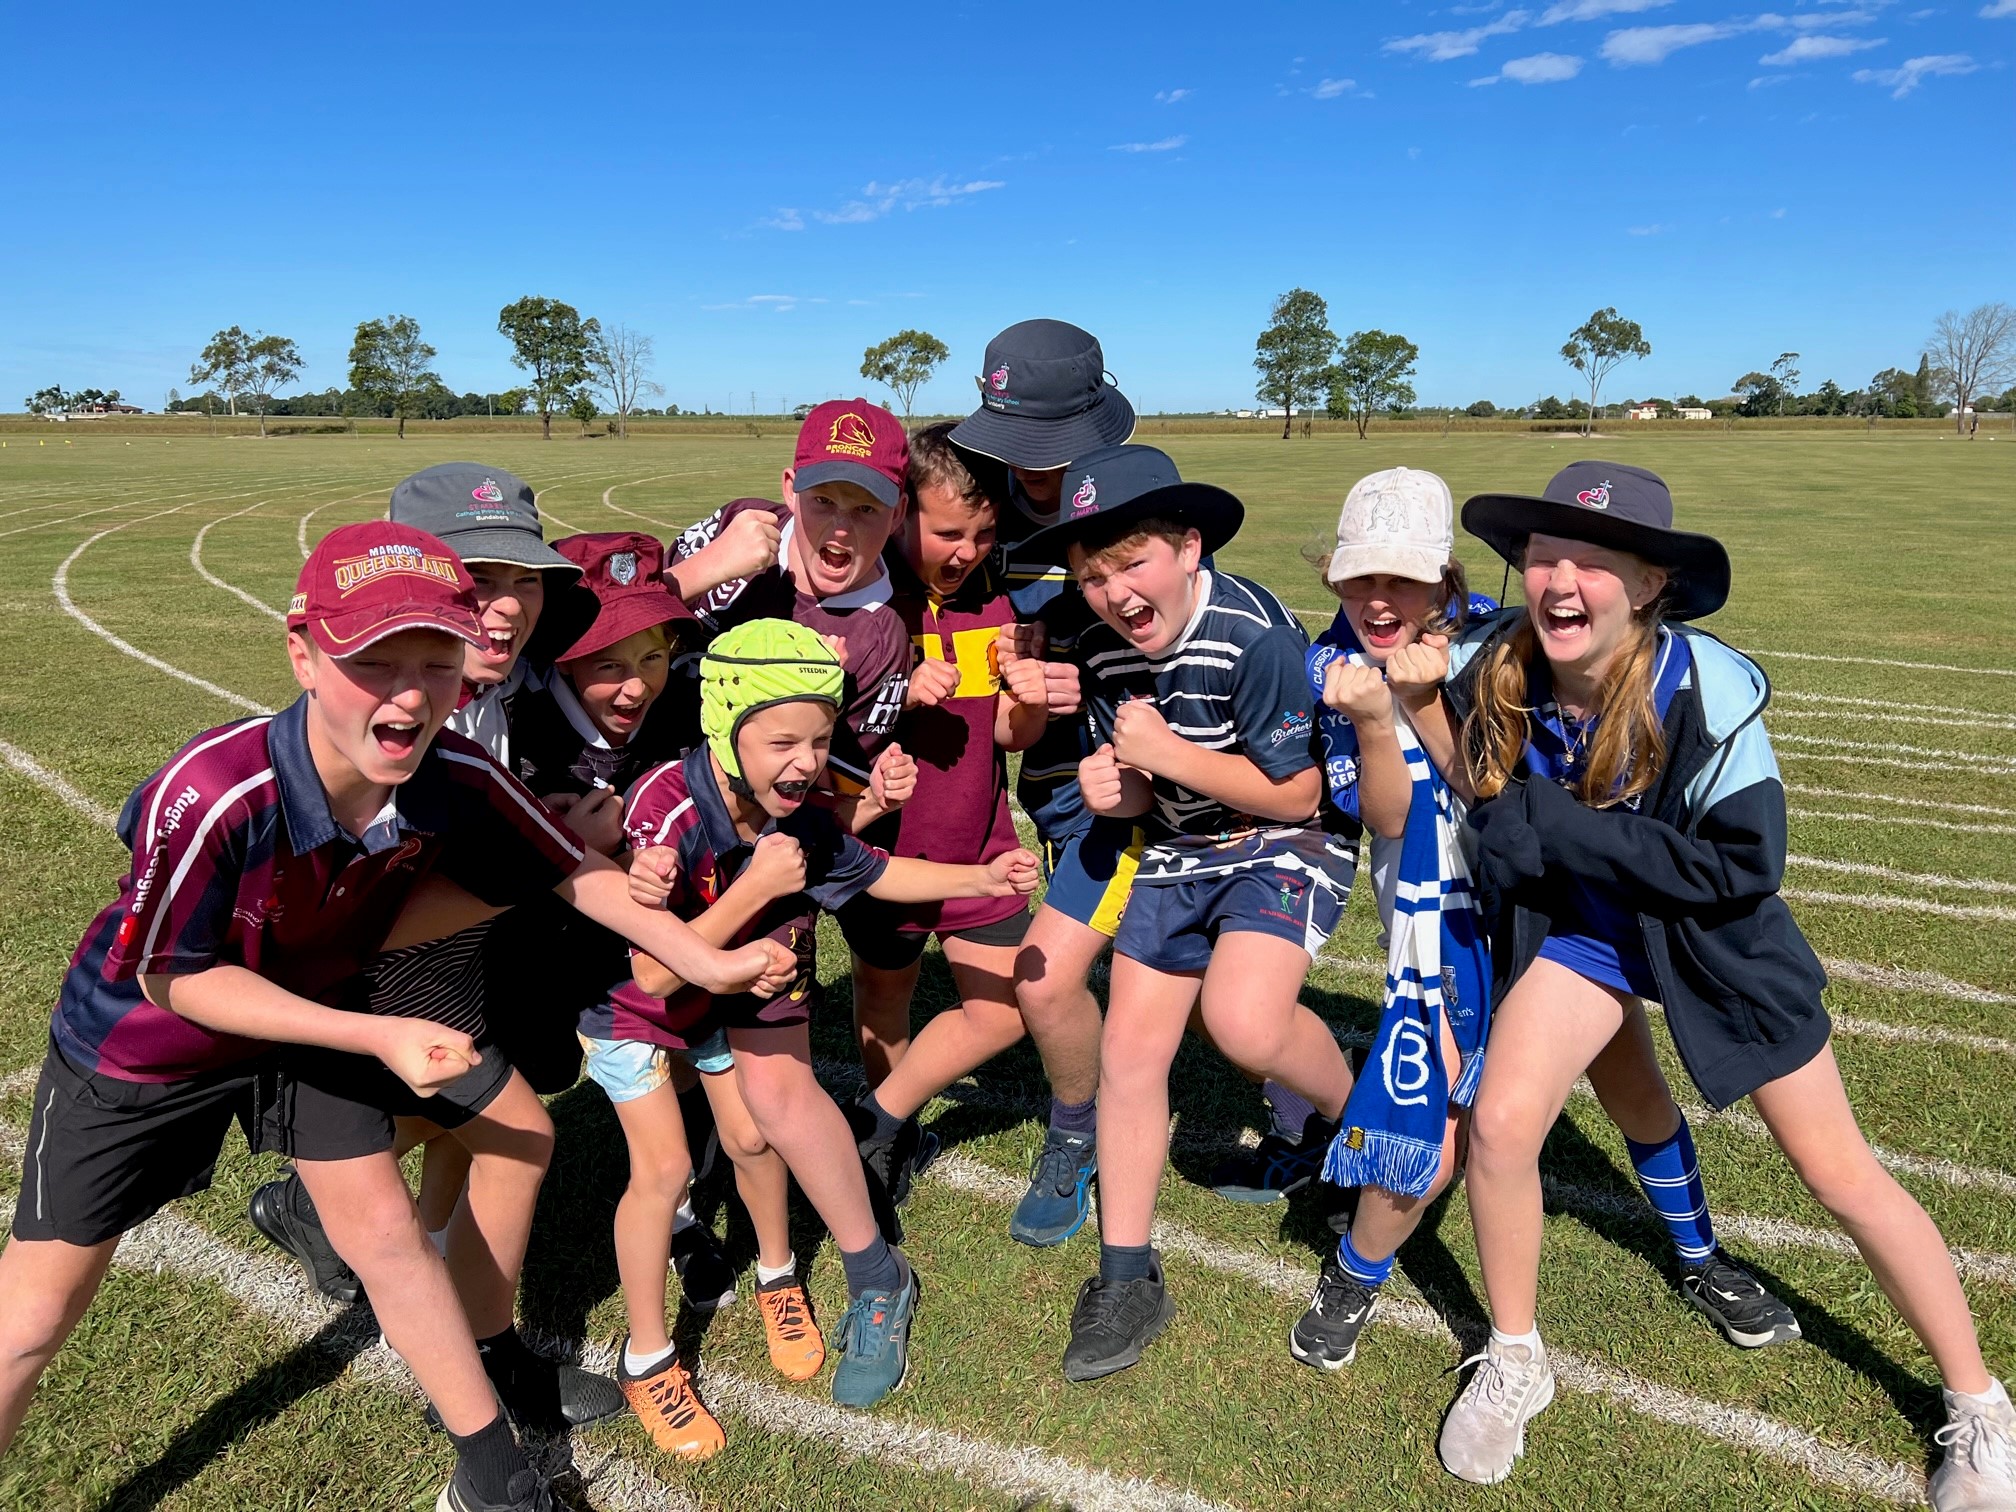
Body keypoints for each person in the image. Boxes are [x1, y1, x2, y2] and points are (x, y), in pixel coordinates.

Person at [0, 523, 791, 1512]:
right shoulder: (212, 791)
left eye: (437, 659)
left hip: (318, 1009)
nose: (412, 693)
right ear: (301, 651)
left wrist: (704, 955)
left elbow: (578, 872)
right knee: (35, 1315)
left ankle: (492, 1476)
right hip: (147, 1050)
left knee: (386, 1232)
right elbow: (177, 980)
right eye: (376, 660)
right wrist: (376, 1033)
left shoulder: (456, 775)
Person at [1430, 462, 2014, 1510]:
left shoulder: (1707, 683)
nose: (1558, 580)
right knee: (1505, 1126)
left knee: (1841, 1177)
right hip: (1583, 941)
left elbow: (1744, 868)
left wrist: (1563, 829)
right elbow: (1442, 728)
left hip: (1715, 945)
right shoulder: (1494, 660)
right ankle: (1516, 1355)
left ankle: (1980, 1404)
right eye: (1542, 558)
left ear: (1650, 582)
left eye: (1590, 562)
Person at [1285, 467, 1796, 1373]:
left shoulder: (1498, 638)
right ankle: (1358, 1270)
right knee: (1432, 1116)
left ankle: (1699, 1255)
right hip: (1442, 929)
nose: (1376, 600)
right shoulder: (1333, 669)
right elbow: (1390, 817)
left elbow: (1599, 703)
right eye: (1357, 579)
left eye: (1400, 579)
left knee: (1633, 1089)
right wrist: (1375, 717)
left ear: (1446, 579)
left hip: (1553, 910)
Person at [623, 619, 1041, 1413]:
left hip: (759, 953)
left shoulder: (806, 812)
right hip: (667, 977)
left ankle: (877, 1273)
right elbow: (649, 974)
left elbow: (878, 871)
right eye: (783, 741)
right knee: (676, 1140)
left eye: (819, 739)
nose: (809, 763)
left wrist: (982, 878)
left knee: (777, 1104)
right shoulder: (667, 807)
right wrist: (749, 895)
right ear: (724, 725)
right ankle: (671, 1275)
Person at [1013, 444, 1356, 1382]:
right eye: (1090, 574)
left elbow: (1296, 795)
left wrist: (1162, 754)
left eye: (1132, 563)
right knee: (1127, 1053)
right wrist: (1110, 784)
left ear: (1190, 547)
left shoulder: (1255, 636)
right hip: (1175, 847)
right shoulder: (1098, 647)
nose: (1114, 591)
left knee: (1245, 1024)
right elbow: (1133, 798)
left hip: (1281, 840)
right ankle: (1126, 1277)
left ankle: (1351, 1124)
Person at [248, 461, 598, 1302]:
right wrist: (538, 864)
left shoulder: (496, 673)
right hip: (386, 956)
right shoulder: (380, 721)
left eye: (527, 579)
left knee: (475, 1089)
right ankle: (319, 1204)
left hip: (466, 944)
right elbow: (344, 918)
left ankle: (428, 1244)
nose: (508, 605)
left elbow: (627, 607)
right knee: (452, 1099)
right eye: (479, 579)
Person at [944, 319, 1139, 1245]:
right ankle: (1076, 1127)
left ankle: (1297, 1117)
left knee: (1176, 959)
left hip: (1151, 773)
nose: (1032, 473)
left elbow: (1171, 643)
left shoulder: (1135, 498)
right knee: (1061, 969)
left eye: (1050, 454)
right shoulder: (974, 502)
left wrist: (1083, 683)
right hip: (1055, 786)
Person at [838, 423, 1052, 1206]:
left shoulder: (995, 602)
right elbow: (817, 736)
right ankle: (894, 1135)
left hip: (981, 849)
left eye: (985, 533)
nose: (966, 550)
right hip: (887, 858)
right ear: (901, 515)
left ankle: (876, 1117)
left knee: (1004, 1011)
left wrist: (1026, 699)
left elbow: (1006, 734)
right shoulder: (868, 607)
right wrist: (894, 697)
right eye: (949, 532)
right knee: (884, 998)